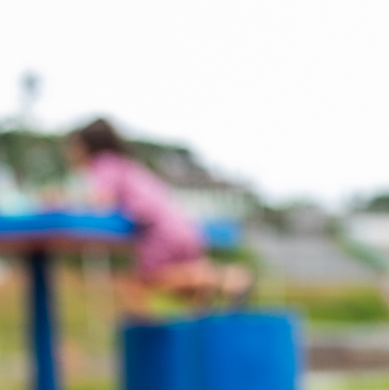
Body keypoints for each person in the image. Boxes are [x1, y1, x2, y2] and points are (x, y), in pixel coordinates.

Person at [63, 119, 250, 313]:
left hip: (159, 231)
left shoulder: (105, 163)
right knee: (186, 289)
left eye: (74, 147)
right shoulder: (129, 166)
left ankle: (225, 277)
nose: (71, 154)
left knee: (139, 282)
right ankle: (200, 326)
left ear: (87, 146)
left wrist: (62, 198)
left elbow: (101, 200)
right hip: (182, 226)